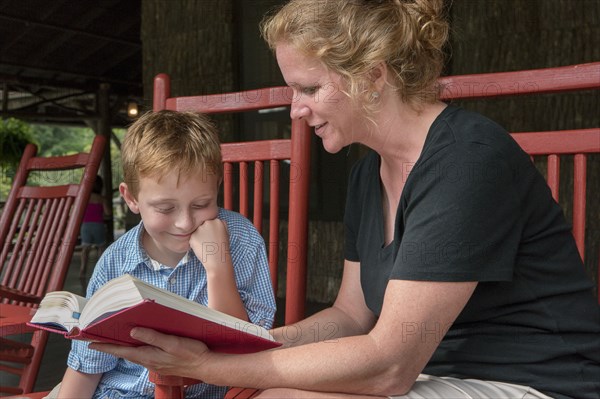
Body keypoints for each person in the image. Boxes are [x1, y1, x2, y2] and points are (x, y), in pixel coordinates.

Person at [90, 1, 600, 398]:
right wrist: (255, 345)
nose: (295, 110)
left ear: (373, 76)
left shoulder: (467, 161)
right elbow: (352, 316)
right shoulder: (366, 176)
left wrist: (208, 367)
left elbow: (388, 365)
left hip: (534, 385)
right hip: (437, 379)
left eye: (308, 88)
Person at [54, 110, 276, 399]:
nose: (185, 222)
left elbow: (248, 352)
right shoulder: (115, 263)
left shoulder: (241, 241)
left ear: (217, 188)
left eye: (201, 204)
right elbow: (87, 368)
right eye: (165, 208)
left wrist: (218, 269)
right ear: (131, 198)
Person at [79, 175, 110, 283]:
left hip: (86, 225)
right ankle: (99, 272)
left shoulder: (84, 198)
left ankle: (82, 271)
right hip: (98, 225)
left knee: (85, 249)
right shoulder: (101, 199)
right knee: (101, 248)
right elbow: (107, 213)